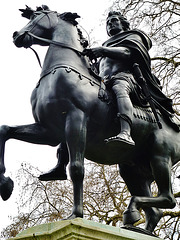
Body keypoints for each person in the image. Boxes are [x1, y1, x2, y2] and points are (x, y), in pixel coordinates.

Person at [39, 11, 174, 181]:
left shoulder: (133, 36)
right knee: (76, 107)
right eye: (108, 22)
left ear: (123, 23)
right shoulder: (106, 44)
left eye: (114, 21)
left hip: (127, 78)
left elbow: (127, 53)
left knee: (120, 87)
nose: (110, 24)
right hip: (104, 82)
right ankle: (61, 165)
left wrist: (103, 50)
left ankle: (125, 131)